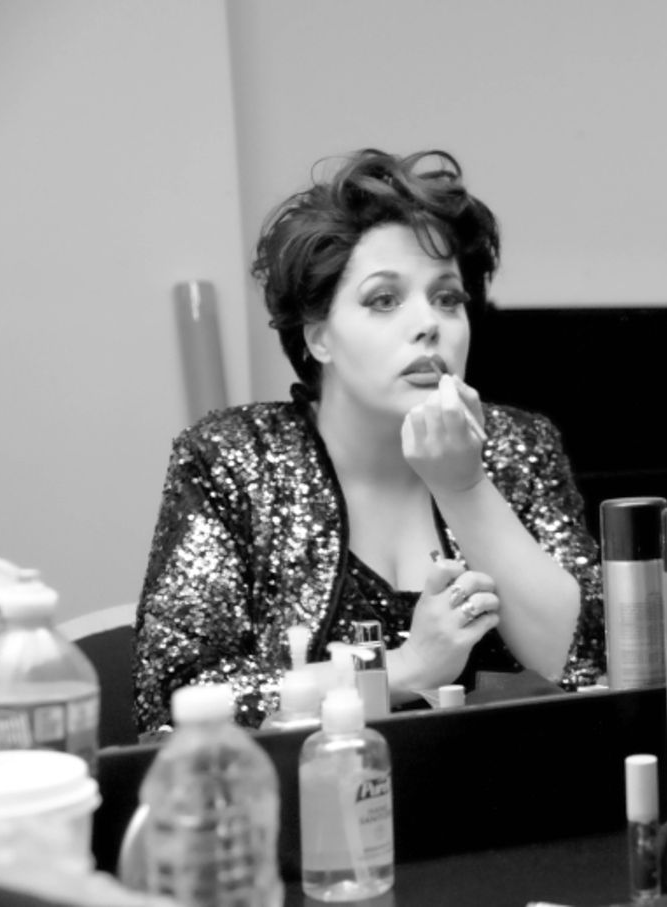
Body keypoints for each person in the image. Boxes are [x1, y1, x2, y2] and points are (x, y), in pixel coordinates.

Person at [133, 149, 603, 734]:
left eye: (447, 298)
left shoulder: (516, 445)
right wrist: (405, 669)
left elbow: (585, 664)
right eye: (385, 299)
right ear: (320, 338)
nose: (428, 323)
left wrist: (464, 484)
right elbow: (177, 699)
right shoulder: (232, 457)